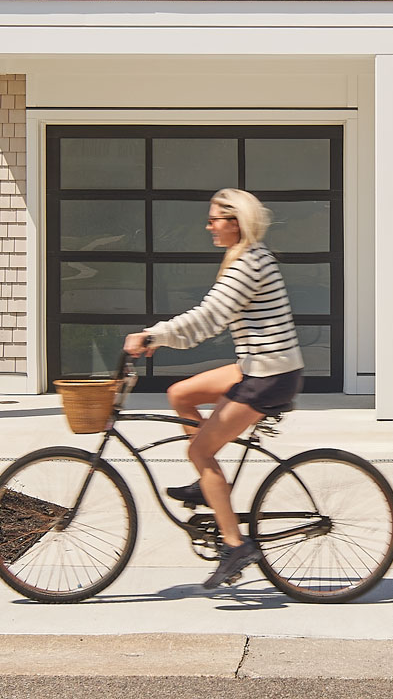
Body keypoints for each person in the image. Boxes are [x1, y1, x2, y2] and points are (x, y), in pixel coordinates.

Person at [124, 187, 302, 589]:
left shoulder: (248, 264)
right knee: (180, 394)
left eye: (214, 219)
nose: (208, 226)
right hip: (257, 366)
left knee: (200, 448)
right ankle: (210, 485)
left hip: (268, 376)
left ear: (235, 222)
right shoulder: (246, 256)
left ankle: (236, 545)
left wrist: (152, 335)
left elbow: (208, 319)